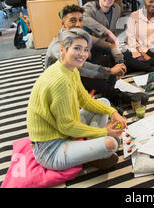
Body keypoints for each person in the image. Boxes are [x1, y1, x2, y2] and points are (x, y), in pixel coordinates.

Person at [27, 28, 128, 171]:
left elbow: (85, 101)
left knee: (104, 103)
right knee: (111, 144)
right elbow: (67, 127)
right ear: (63, 50)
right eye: (77, 48)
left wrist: (113, 113)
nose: (83, 54)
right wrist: (104, 132)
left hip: (62, 133)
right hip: (50, 150)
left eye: (86, 49)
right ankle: (88, 154)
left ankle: (89, 146)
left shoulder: (70, 69)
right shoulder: (60, 81)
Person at [45, 4, 148, 111]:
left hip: (77, 78)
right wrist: (110, 71)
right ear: (63, 24)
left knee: (109, 56)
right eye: (72, 20)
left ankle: (109, 96)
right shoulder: (58, 45)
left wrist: (120, 62)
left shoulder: (82, 35)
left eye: (80, 20)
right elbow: (81, 67)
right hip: (61, 86)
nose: (78, 24)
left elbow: (110, 46)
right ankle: (111, 98)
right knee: (90, 71)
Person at [83, 0, 122, 64]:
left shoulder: (116, 9)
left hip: (110, 44)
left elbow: (114, 29)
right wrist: (107, 32)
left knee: (127, 56)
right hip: (95, 45)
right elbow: (83, 17)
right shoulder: (90, 7)